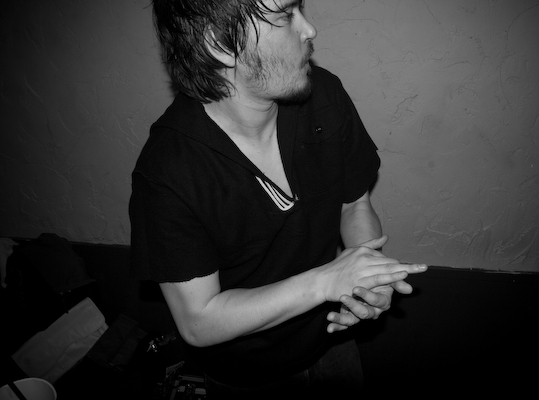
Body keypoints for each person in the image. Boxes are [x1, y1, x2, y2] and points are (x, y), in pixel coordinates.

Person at [129, 0, 427, 397]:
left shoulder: (324, 94)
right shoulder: (168, 170)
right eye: (285, 15)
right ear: (220, 43)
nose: (309, 29)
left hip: (333, 339)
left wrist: (367, 279)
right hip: (249, 376)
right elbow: (199, 322)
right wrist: (326, 282)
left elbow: (354, 204)